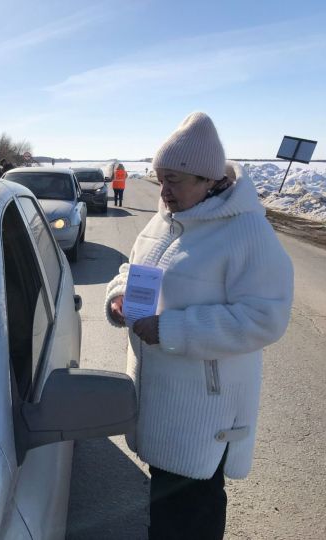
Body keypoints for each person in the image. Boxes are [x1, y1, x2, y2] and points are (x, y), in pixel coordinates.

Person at [104, 112, 294, 540]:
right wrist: (118, 295)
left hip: (203, 412)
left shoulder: (246, 232)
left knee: (191, 515)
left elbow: (266, 318)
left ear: (208, 180)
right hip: (159, 400)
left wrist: (173, 329)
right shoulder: (164, 219)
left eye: (174, 180)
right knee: (166, 507)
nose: (163, 190)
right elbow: (133, 270)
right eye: (160, 178)